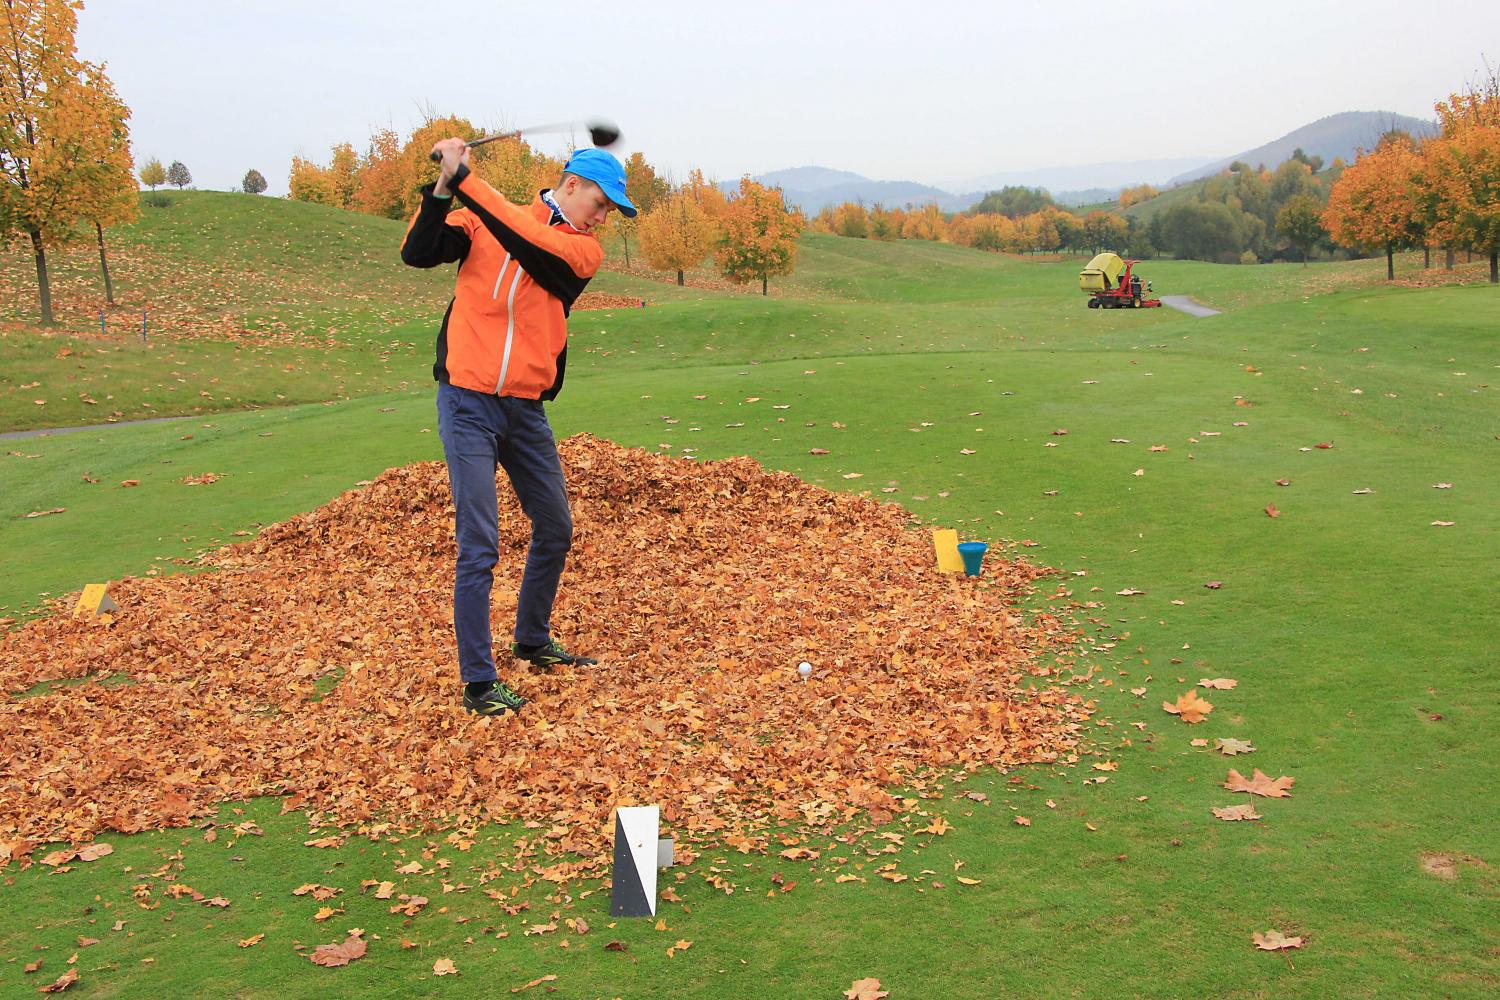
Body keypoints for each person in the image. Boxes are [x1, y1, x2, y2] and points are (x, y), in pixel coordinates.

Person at [400, 138, 636, 716]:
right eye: (603, 204)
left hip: (525, 410)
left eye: (611, 212)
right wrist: (442, 187)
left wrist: (467, 181)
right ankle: (479, 681)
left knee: (555, 526)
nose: (605, 218)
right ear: (573, 183)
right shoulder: (483, 221)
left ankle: (531, 638)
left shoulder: (580, 253)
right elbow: (419, 251)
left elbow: (527, 242)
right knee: (479, 545)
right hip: (467, 402)